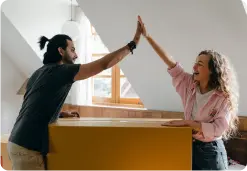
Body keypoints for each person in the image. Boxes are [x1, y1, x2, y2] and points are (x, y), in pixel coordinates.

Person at [7, 19, 142, 171]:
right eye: (72, 49)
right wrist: (133, 43)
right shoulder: (62, 71)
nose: (76, 54)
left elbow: (32, 104)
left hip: (16, 141)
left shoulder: (39, 72)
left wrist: (61, 113)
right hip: (28, 148)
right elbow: (104, 64)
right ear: (60, 51)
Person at [138, 16, 239, 171]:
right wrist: (147, 36)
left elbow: (218, 129)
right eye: (195, 63)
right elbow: (170, 61)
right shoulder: (188, 84)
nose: (194, 67)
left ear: (212, 71)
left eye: (200, 64)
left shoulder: (222, 97)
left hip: (211, 151)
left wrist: (188, 123)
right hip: (189, 146)